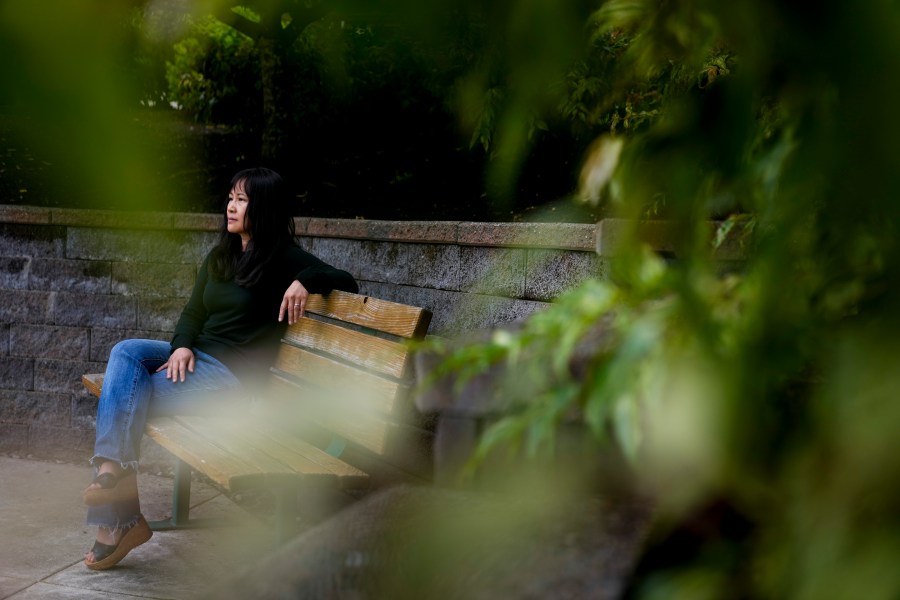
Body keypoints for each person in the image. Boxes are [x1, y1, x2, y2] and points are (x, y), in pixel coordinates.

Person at [81, 167, 358, 570]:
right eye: (230, 196)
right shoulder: (221, 256)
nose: (231, 205)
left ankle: (117, 515)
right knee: (126, 352)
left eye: (242, 199)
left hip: (231, 380)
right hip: (197, 362)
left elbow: (346, 280)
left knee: (120, 396)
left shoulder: (283, 258)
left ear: (263, 208)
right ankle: (114, 478)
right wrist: (180, 347)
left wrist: (305, 280)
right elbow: (193, 313)